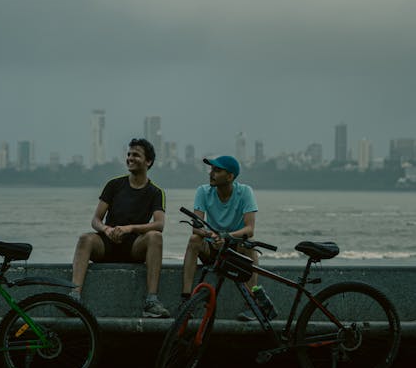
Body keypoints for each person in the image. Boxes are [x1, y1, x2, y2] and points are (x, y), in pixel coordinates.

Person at [71, 137, 170, 318]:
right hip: (107, 244)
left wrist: (129, 228)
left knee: (155, 236)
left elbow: (159, 224)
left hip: (134, 247)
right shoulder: (114, 184)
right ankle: (74, 296)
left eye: (136, 155)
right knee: (85, 238)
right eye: (129, 154)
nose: (130, 158)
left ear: (148, 162)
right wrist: (106, 230)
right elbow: (96, 220)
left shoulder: (155, 192)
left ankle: (151, 301)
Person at [181, 155, 269, 320]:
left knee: (249, 244)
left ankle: (252, 304)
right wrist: (211, 235)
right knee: (194, 241)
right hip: (212, 248)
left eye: (217, 170)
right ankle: (186, 298)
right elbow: (196, 228)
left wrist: (226, 237)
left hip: (234, 251)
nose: (211, 173)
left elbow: (249, 229)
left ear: (230, 176)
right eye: (212, 169)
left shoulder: (245, 192)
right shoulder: (203, 191)